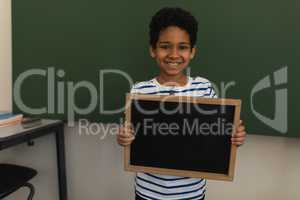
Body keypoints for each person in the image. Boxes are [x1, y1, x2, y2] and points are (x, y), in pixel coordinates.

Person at [117, 7, 246, 200]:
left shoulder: (204, 88)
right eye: (165, 46)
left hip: (191, 193)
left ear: (192, 51)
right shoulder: (139, 91)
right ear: (153, 49)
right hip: (149, 192)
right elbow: (129, 133)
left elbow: (218, 133)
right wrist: (123, 138)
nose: (174, 54)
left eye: (183, 47)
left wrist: (234, 136)